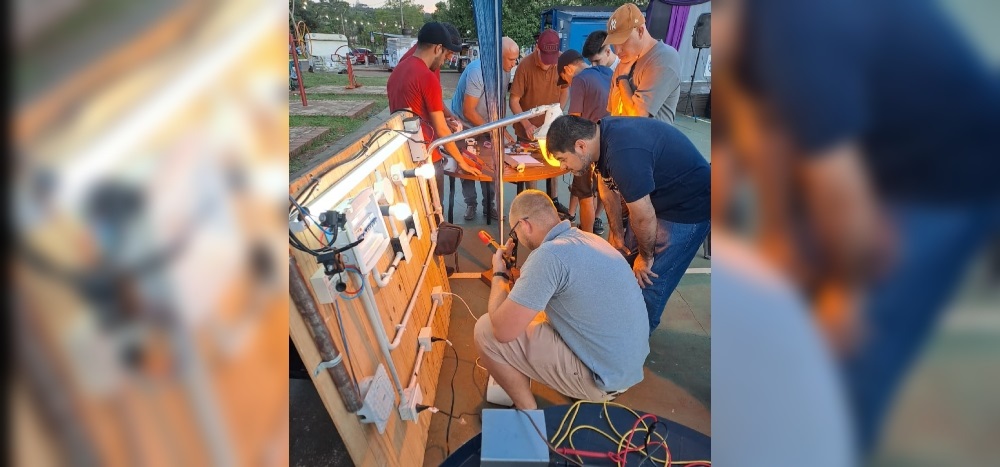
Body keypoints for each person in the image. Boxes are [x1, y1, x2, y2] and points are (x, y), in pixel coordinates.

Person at [474, 190, 649, 409]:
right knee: (532, 309)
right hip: (624, 369)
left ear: (524, 225)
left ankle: (528, 412)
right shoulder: (589, 239)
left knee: (486, 331)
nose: (515, 239)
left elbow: (502, 331)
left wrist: (499, 274)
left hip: (601, 382)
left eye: (514, 233)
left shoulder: (548, 256)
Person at [547, 115, 711, 335]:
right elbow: (606, 186)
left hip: (689, 207)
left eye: (563, 158)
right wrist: (617, 234)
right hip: (655, 202)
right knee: (623, 265)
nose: (563, 166)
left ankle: (635, 343)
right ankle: (617, 328)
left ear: (580, 146)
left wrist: (646, 257)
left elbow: (644, 217)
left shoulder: (623, 155)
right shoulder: (601, 137)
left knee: (649, 281)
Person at [387, 22, 482, 198]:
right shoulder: (426, 76)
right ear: (438, 48)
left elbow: (415, 111)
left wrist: (447, 119)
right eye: (446, 54)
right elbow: (442, 130)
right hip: (426, 156)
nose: (445, 61)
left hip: (403, 156)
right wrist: (462, 162)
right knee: (436, 209)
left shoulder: (398, 70)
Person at [449, 37, 520, 221]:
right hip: (465, 124)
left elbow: (498, 102)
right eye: (511, 59)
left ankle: (489, 205)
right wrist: (493, 130)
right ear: (498, 57)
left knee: (490, 164)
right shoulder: (478, 72)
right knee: (468, 165)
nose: (514, 64)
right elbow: (468, 111)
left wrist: (501, 129)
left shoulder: (505, 71)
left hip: (487, 123)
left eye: (516, 59)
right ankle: (470, 203)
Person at [509, 29, 571, 217]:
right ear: (537, 48)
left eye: (551, 59)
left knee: (553, 162)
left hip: (550, 127)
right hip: (527, 128)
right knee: (531, 167)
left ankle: (554, 200)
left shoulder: (561, 62)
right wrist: (527, 124)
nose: (548, 64)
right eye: (545, 58)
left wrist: (556, 114)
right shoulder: (525, 66)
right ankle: (532, 205)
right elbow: (514, 100)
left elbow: (564, 90)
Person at [557, 49, 613, 234]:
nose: (568, 84)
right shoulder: (607, 72)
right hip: (612, 143)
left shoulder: (579, 80)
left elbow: (574, 121)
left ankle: (586, 238)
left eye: (565, 79)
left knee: (585, 195)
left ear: (568, 69)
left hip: (588, 145)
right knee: (606, 191)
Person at [603, 3, 682, 124]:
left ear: (640, 31)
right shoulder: (624, 61)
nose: (617, 51)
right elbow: (612, 110)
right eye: (614, 44)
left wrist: (623, 79)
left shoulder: (663, 58)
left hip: (649, 135)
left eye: (622, 42)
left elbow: (639, 117)